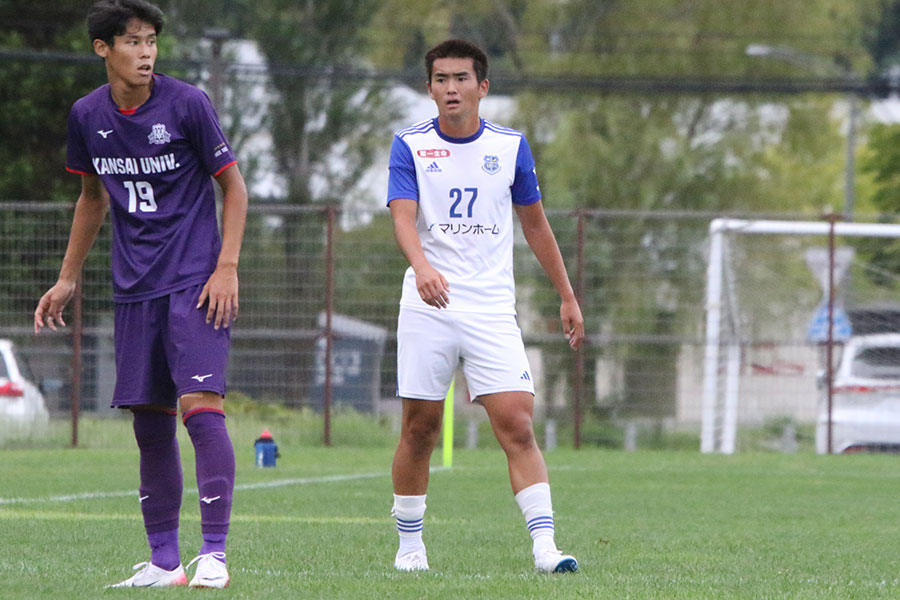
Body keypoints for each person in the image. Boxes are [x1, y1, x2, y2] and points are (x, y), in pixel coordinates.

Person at [33, 0, 247, 589]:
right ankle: (163, 562)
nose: (145, 52)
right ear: (104, 49)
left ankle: (214, 555)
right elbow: (92, 198)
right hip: (134, 290)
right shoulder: (86, 114)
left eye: (151, 40)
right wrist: (69, 276)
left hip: (196, 282)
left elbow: (234, 187)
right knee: (150, 426)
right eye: (132, 41)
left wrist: (226, 265)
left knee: (201, 409)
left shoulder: (187, 103)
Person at [386, 39, 585, 573]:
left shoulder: (511, 147)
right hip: (427, 304)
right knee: (420, 429)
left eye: (462, 78)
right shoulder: (409, 145)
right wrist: (423, 269)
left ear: (483, 87)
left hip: (491, 308)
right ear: (429, 89)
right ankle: (410, 546)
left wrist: (567, 296)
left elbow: (536, 225)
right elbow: (403, 217)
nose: (452, 88)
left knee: (517, 423)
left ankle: (545, 549)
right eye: (442, 79)